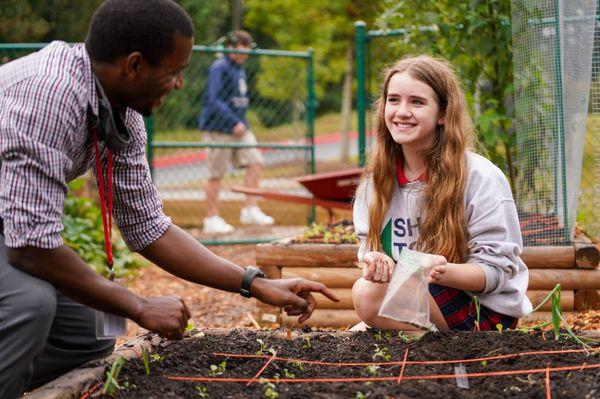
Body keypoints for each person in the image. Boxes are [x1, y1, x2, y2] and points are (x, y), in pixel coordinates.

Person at [0, 2, 338, 398]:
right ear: (135, 65)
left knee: (87, 333)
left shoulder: (120, 113)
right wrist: (137, 304)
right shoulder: (49, 96)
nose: (179, 84)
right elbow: (29, 249)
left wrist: (254, 283)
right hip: (17, 236)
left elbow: (147, 228)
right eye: (175, 72)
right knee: (30, 304)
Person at [351, 55, 532, 332]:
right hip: (421, 298)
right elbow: (370, 252)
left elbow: (496, 272)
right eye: (394, 100)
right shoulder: (374, 184)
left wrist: (440, 271)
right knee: (368, 293)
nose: (402, 111)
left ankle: (440, 351)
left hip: (483, 309)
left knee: (368, 297)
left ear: (443, 114)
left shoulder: (480, 177)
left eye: (417, 102)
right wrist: (376, 261)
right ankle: (420, 340)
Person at [198, 30, 274, 234]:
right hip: (219, 127)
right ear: (232, 47)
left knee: (255, 161)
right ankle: (211, 218)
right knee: (216, 173)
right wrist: (232, 121)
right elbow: (213, 100)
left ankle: (250, 209)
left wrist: (241, 122)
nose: (246, 53)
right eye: (243, 48)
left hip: (240, 126)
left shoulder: (239, 69)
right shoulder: (219, 67)